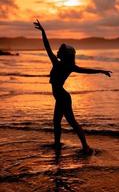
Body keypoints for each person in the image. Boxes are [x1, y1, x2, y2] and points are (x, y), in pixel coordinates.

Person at [33, 19, 112, 154]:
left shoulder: (65, 65)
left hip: (63, 97)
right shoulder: (60, 64)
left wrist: (101, 71)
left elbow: (86, 70)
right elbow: (47, 46)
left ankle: (85, 146)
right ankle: (57, 144)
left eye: (61, 51)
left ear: (65, 55)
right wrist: (43, 32)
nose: (58, 52)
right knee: (56, 122)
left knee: (72, 123)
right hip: (60, 97)